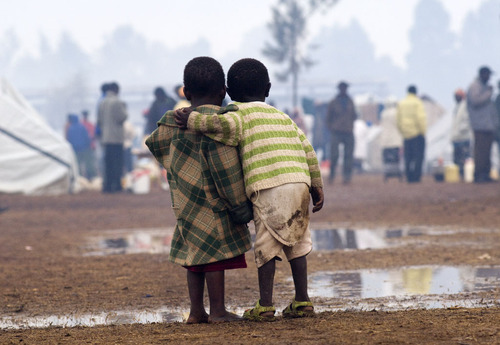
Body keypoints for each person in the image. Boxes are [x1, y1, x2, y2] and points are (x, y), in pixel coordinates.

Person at [175, 58, 324, 322]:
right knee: (298, 242)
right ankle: (302, 300)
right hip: (298, 182)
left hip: (268, 185)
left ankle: (265, 305)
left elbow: (219, 127)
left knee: (266, 245)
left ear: (228, 93)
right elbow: (308, 150)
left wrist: (192, 120)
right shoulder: (283, 117)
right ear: (267, 89)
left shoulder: (236, 115)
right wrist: (316, 186)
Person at [145, 56, 253, 324]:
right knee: (214, 256)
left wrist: (177, 167)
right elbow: (226, 170)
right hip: (214, 204)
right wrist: (239, 205)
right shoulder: (220, 126)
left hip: (185, 201)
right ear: (223, 92)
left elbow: (155, 144)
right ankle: (217, 310)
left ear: (186, 92)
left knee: (194, 258)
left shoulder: (172, 123)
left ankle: (196, 311)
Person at [467, 66, 499, 183]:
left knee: (487, 151)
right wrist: (488, 93)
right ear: (483, 74)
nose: (489, 78)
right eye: (488, 75)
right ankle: (479, 174)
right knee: (480, 151)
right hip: (480, 125)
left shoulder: (483, 87)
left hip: (487, 125)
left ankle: (485, 173)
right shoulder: (475, 86)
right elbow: (476, 101)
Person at [97, 82, 128, 193]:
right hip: (116, 138)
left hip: (106, 138)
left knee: (108, 163)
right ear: (116, 89)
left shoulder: (102, 102)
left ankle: (107, 186)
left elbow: (99, 121)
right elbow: (122, 117)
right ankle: (117, 186)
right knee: (117, 163)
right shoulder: (117, 102)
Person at [326, 81, 357, 185]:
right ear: (339, 89)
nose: (343, 90)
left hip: (348, 131)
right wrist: (331, 128)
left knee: (348, 155)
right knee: (334, 155)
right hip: (336, 132)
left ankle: (347, 177)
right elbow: (328, 118)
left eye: (345, 88)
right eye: (342, 88)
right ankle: (332, 175)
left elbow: (354, 115)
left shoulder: (350, 101)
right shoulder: (333, 102)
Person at [396, 85, 427, 183]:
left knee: (408, 157)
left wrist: (403, 132)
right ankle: (416, 178)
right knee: (418, 157)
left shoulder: (401, 103)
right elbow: (420, 118)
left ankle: (409, 177)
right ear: (416, 92)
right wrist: (423, 132)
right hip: (417, 134)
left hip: (406, 135)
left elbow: (398, 120)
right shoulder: (417, 103)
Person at [379, 96, 403, 181]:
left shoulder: (383, 113)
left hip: (385, 140)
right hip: (395, 140)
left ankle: (387, 175)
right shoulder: (397, 113)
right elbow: (400, 125)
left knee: (387, 159)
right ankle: (398, 175)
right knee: (396, 159)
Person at [450, 89, 472, 179]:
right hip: (456, 137)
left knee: (464, 158)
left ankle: (465, 175)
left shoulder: (466, 106)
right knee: (457, 158)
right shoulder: (457, 107)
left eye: (457, 95)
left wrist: (461, 130)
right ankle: (459, 174)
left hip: (463, 137)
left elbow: (467, 120)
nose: (456, 97)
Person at [66, 114, 93, 179]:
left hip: (75, 150)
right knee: (88, 163)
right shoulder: (82, 127)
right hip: (85, 148)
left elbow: (69, 140)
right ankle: (90, 177)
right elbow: (86, 137)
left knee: (78, 164)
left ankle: (80, 178)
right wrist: (88, 145)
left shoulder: (70, 128)